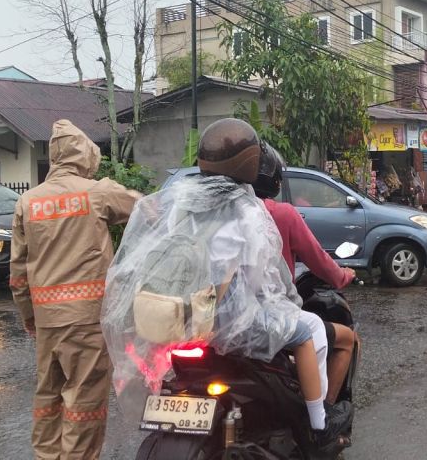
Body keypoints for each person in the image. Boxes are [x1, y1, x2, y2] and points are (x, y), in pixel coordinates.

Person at [101, 119, 349, 450]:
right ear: (250, 162)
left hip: (186, 316)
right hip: (232, 322)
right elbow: (262, 278)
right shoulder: (247, 209)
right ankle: (319, 425)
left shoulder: (181, 199)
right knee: (310, 331)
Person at [9, 120, 142, 460]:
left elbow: (18, 273)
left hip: (47, 321)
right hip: (86, 321)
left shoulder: (28, 201)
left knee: (48, 400)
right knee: (84, 403)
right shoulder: (97, 192)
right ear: (85, 155)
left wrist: (29, 318)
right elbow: (146, 209)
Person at [253, 143, 358, 405]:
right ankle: (324, 414)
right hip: (269, 316)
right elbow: (319, 260)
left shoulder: (216, 214)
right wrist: (343, 276)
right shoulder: (281, 213)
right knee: (347, 340)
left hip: (216, 321)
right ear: (274, 180)